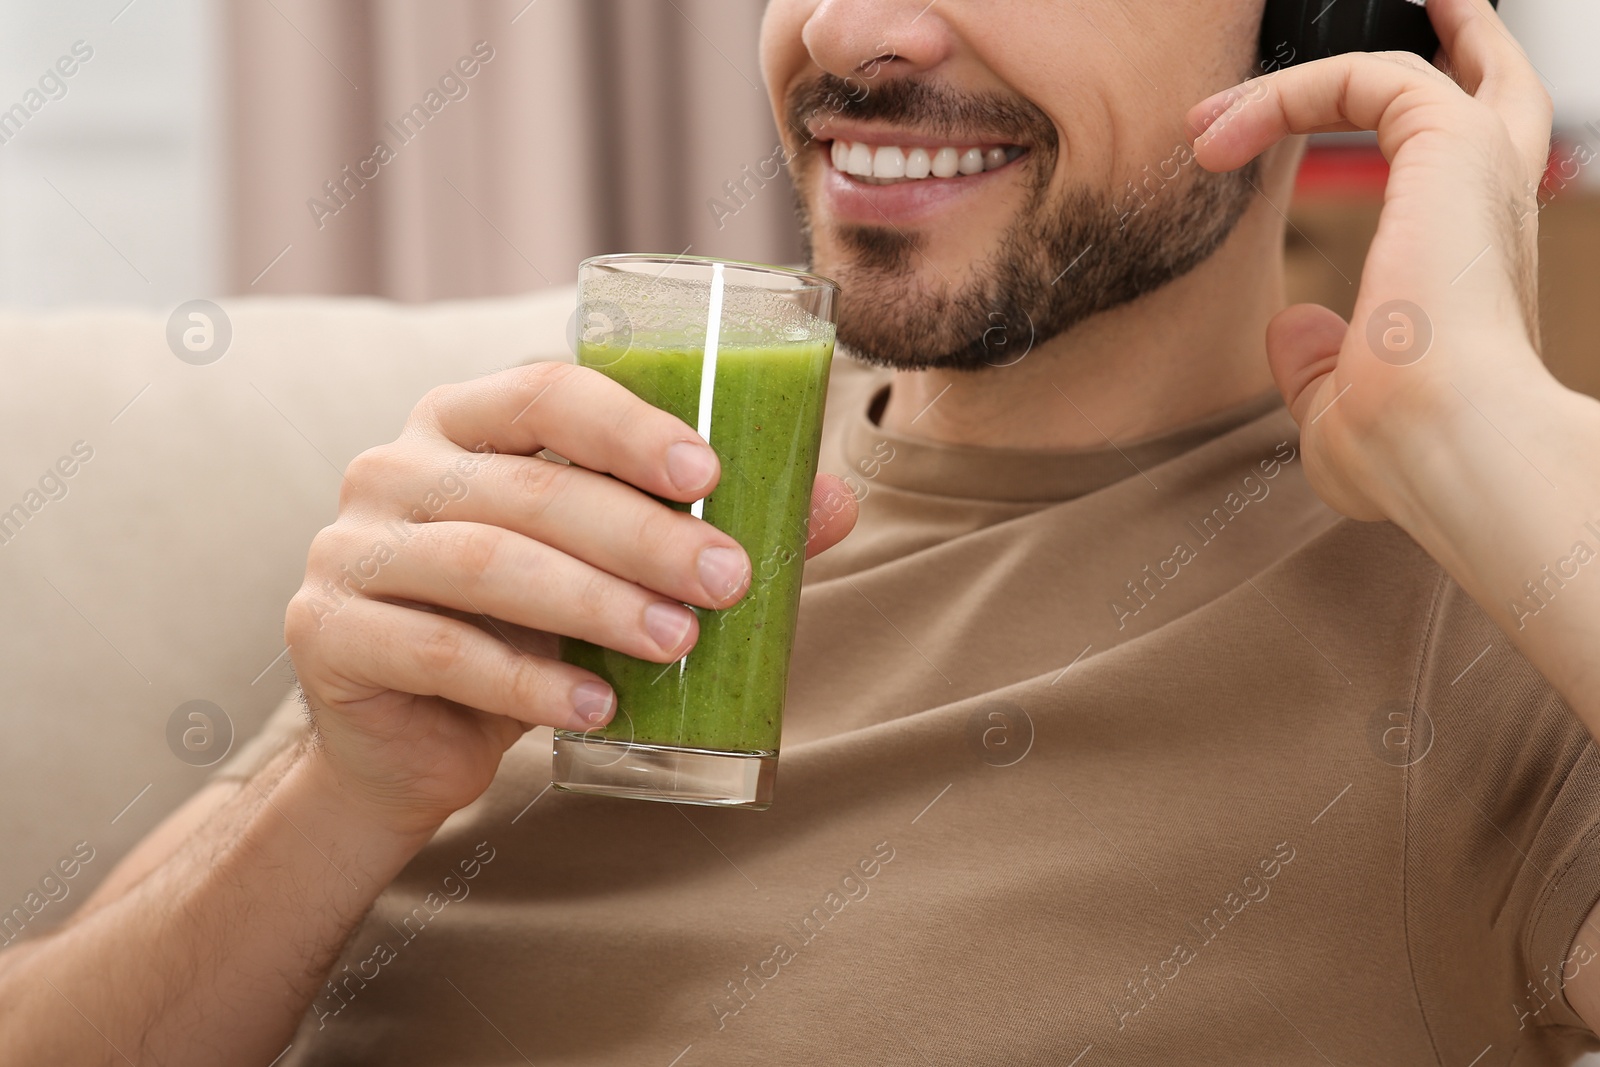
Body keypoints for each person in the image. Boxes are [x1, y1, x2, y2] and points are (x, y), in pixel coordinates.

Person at [5, 0, 1598, 1062]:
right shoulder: (571, 474)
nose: (846, 26)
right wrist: (332, 798)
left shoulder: (1487, 609)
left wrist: (1485, 425)